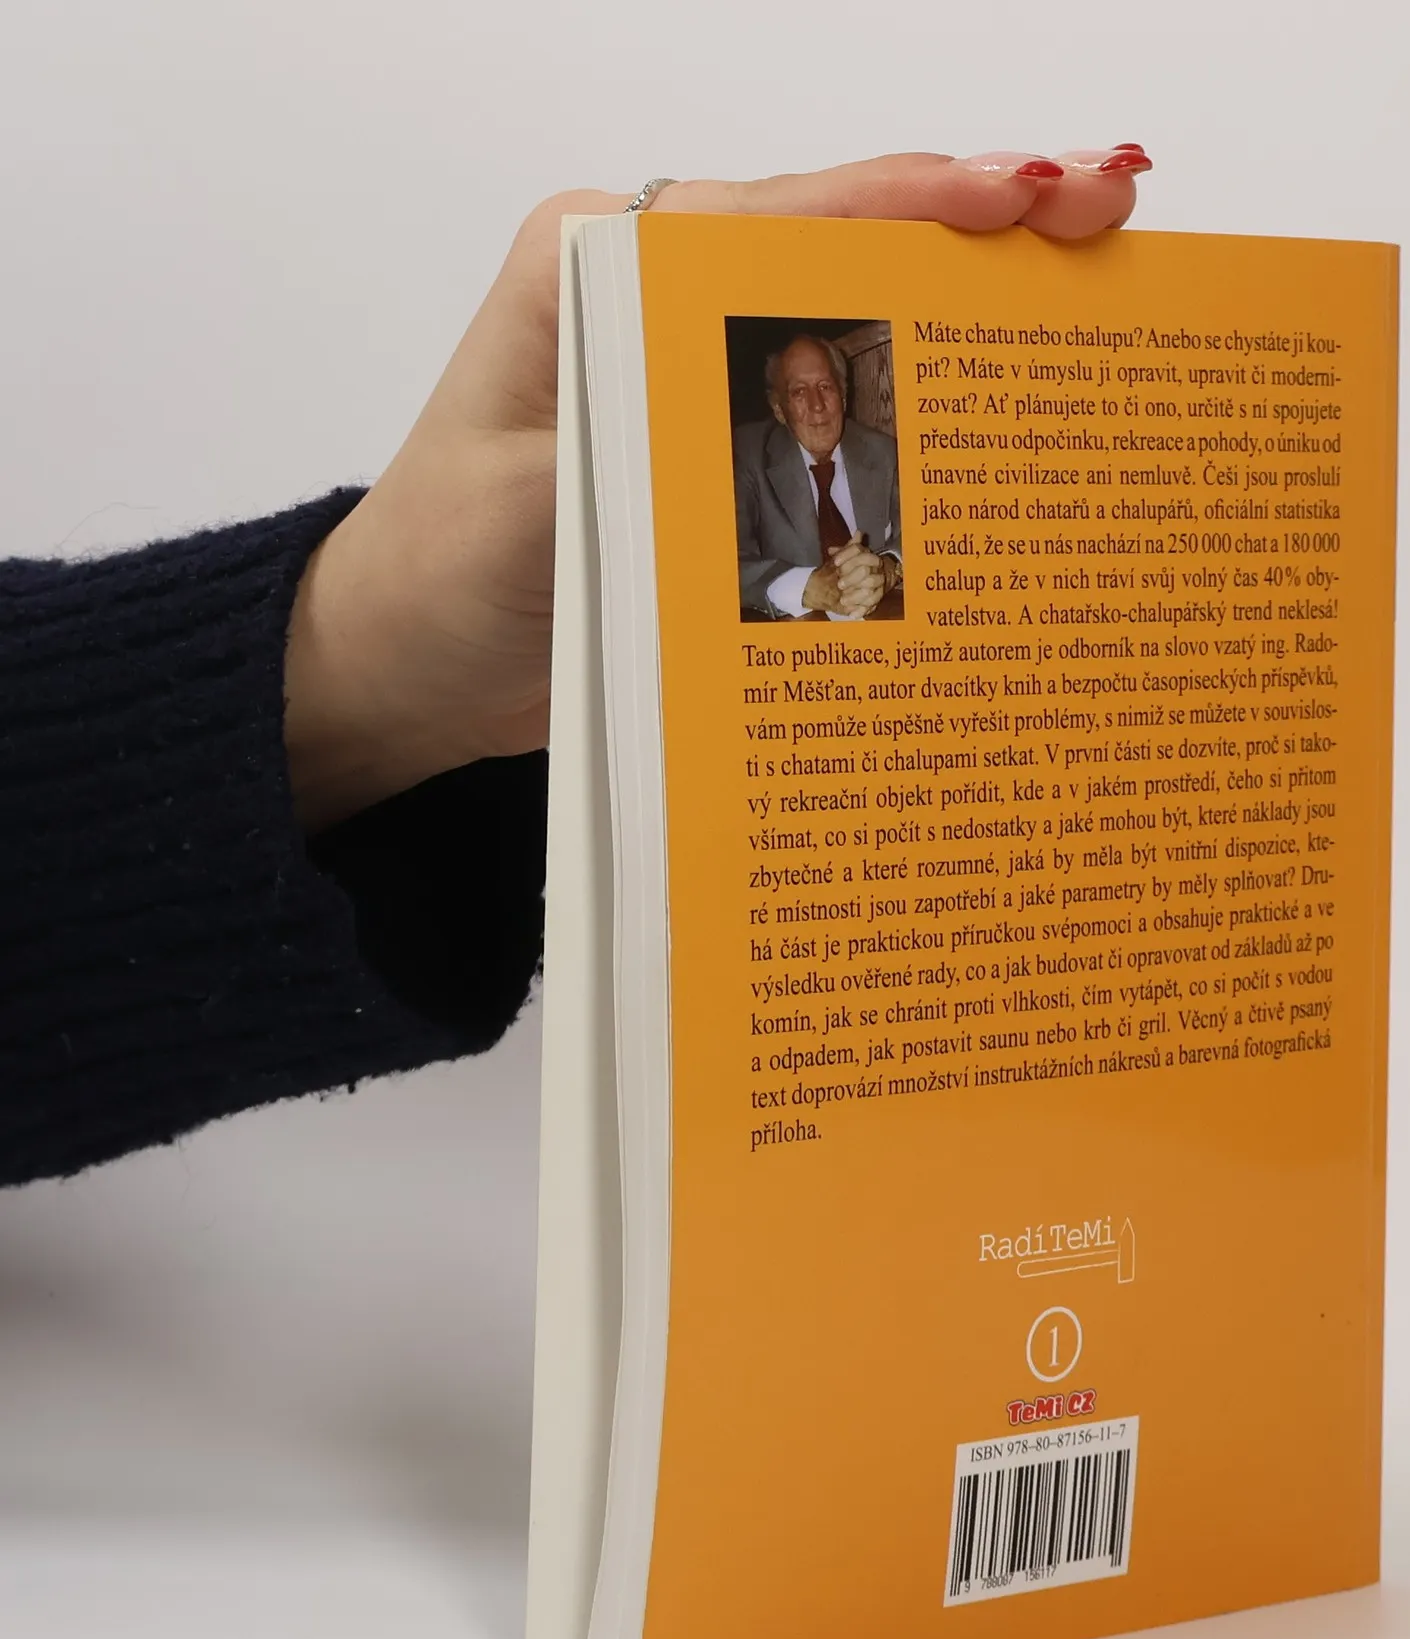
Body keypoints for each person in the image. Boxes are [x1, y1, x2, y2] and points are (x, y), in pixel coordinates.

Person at [0, 147, 1151, 1188]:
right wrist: (800, 591)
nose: (818, 405)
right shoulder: (735, 462)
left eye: (832, 390)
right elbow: (750, 570)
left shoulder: (886, 463)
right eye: (800, 390)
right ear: (772, 399)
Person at [736, 332, 901, 620]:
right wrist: (806, 588)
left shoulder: (884, 452)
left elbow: (926, 530)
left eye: (825, 387)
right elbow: (721, 561)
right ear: (779, 410)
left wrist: (887, 569)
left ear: (844, 398)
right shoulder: (747, 453)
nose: (817, 405)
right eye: (799, 392)